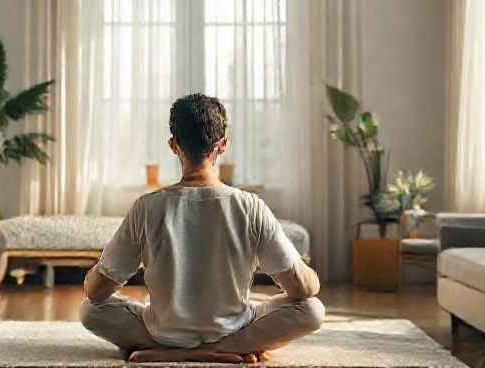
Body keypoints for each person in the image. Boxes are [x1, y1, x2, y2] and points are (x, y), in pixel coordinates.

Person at [80, 94, 324, 364]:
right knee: (312, 310)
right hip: (235, 331)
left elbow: (96, 292)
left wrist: (102, 265)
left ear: (174, 146)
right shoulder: (250, 206)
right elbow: (302, 289)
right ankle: (222, 350)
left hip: (162, 335)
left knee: (90, 310)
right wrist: (306, 268)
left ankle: (179, 352)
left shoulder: (146, 207)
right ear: (223, 145)